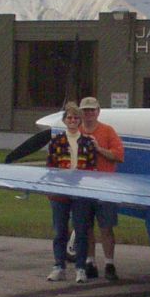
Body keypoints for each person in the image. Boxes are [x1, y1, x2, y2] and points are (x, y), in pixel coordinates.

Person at [45, 102, 96, 283]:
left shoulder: (88, 142)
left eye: (75, 118)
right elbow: (50, 166)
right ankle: (59, 265)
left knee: (81, 230)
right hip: (60, 190)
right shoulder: (57, 141)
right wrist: (51, 187)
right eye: (69, 118)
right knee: (60, 230)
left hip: (80, 190)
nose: (72, 120)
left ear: (80, 121)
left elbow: (91, 166)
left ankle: (80, 268)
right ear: (65, 120)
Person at [78, 95, 125, 281]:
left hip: (105, 186)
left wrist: (98, 149)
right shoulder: (76, 131)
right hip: (83, 186)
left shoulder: (107, 131)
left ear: (98, 111)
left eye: (92, 110)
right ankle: (90, 262)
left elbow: (119, 155)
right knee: (86, 227)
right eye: (86, 110)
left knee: (106, 227)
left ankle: (109, 263)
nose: (89, 113)